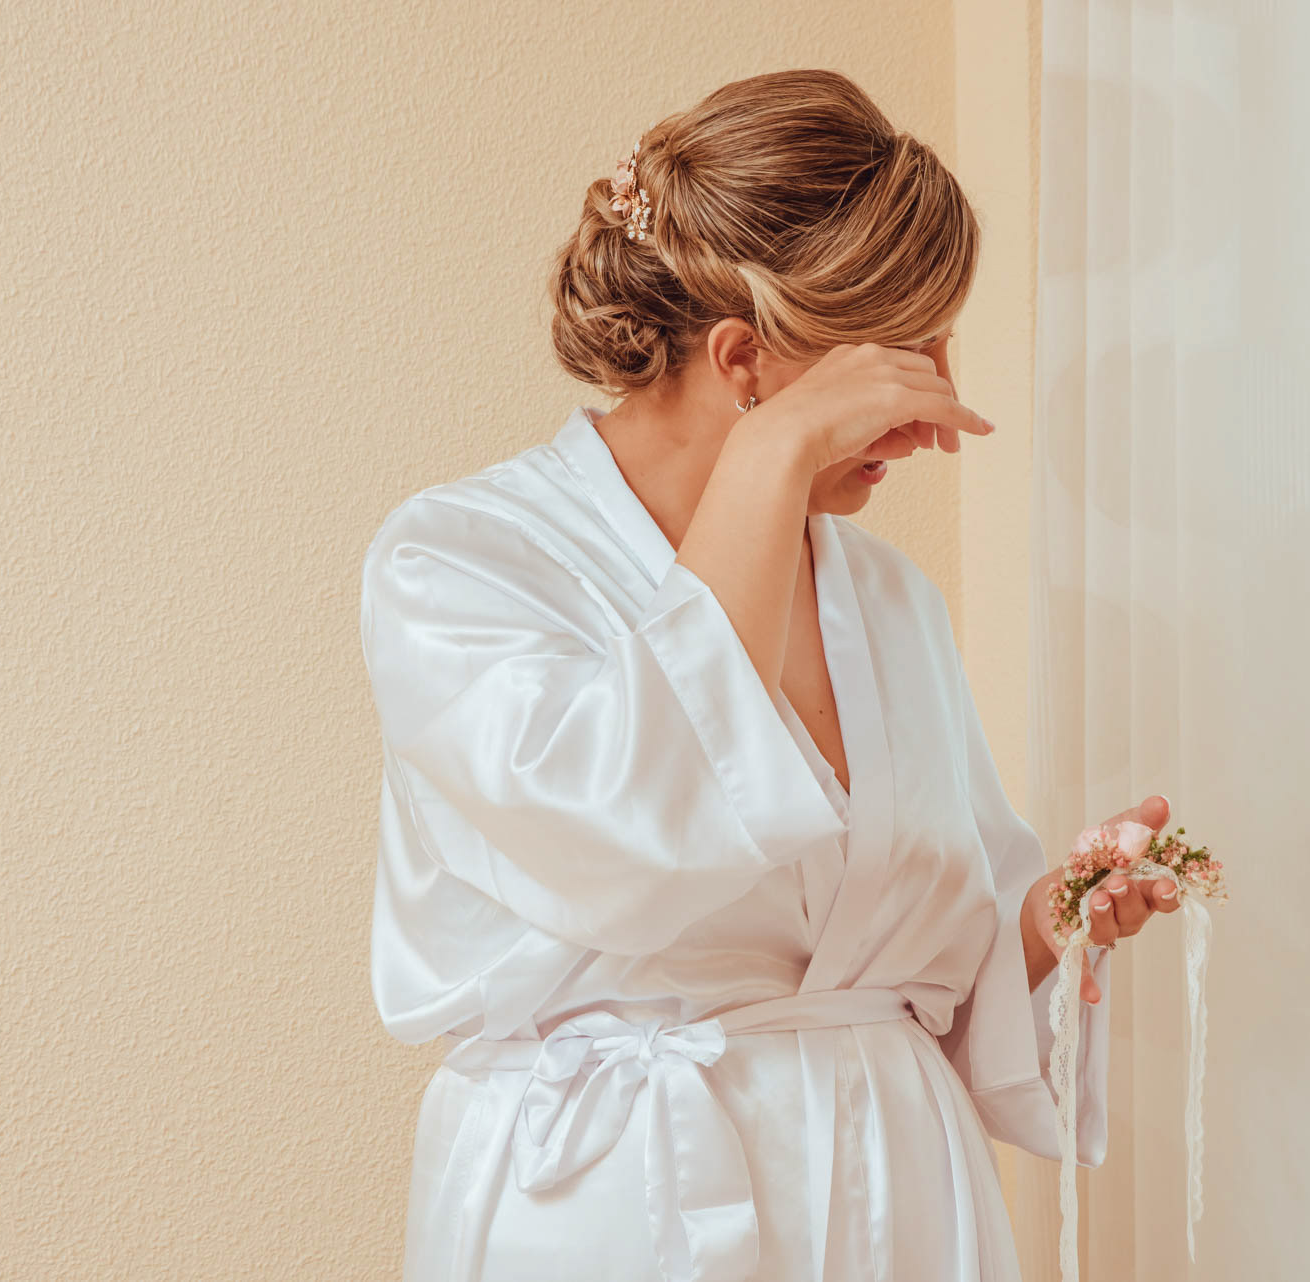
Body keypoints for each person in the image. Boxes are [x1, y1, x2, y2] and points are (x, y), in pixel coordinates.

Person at [359, 67, 1180, 1282]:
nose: (939, 414)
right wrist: (776, 454)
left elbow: (922, 970)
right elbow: (617, 841)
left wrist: (1053, 921)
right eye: (896, 365)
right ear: (742, 356)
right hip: (622, 1198)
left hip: (900, 1193)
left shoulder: (887, 597)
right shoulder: (461, 562)